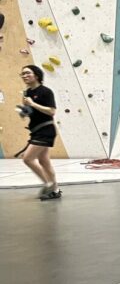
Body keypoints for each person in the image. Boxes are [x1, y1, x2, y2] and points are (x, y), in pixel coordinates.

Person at [17, 65, 61, 200]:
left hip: (46, 130)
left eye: (27, 73)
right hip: (35, 130)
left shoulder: (46, 92)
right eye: (22, 74)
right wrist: (23, 111)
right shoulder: (27, 93)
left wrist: (33, 104)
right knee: (44, 161)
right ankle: (55, 190)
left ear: (36, 75)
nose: (24, 76)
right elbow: (29, 112)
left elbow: (52, 111)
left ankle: (48, 183)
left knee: (27, 158)